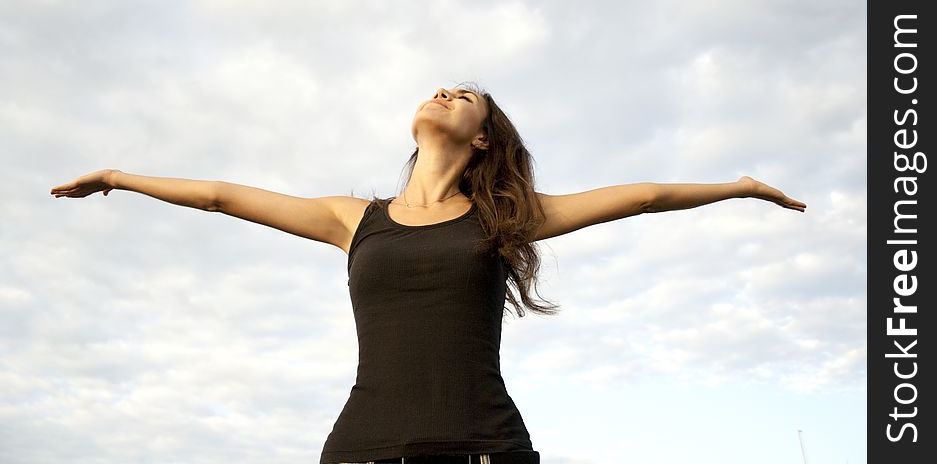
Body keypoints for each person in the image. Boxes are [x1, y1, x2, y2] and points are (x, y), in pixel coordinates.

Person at [51, 83, 806, 464]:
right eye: (437, 85)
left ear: (481, 137)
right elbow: (219, 196)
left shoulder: (508, 217)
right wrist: (119, 175)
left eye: (463, 94)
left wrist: (736, 188)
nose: (443, 91)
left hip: (483, 448)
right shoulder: (353, 219)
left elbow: (643, 197)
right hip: (361, 448)